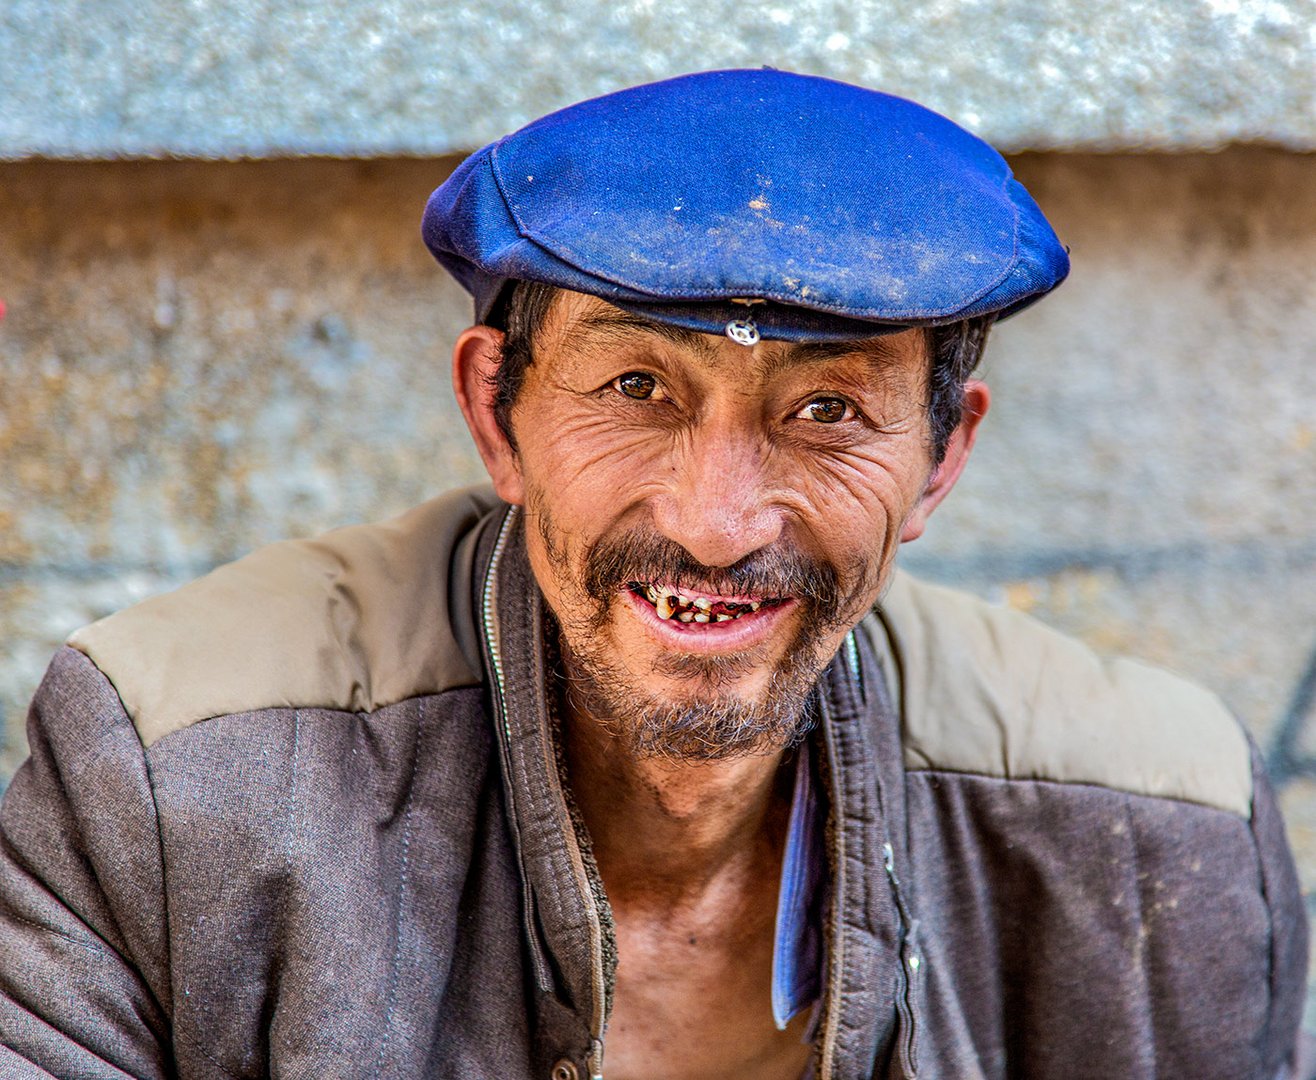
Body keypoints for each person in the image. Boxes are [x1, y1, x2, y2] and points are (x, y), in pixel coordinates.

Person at [0, 69, 1306, 1080]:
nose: (720, 522)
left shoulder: (1155, 830)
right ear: (498, 415)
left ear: (942, 458)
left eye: (830, 411)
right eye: (637, 389)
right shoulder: (172, 776)